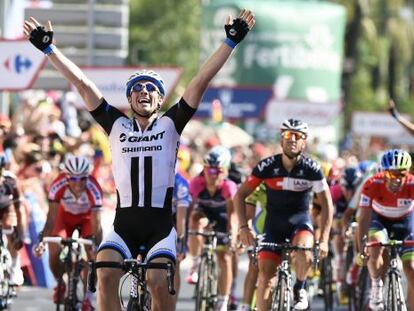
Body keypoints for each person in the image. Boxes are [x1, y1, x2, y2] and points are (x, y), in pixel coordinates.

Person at [24, 9, 255, 311]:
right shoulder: (116, 125)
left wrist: (230, 42)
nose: (144, 92)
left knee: (159, 281)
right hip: (124, 226)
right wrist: (49, 49)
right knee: (105, 274)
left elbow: (199, 82)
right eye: (137, 89)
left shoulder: (171, 123)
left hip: (160, 228)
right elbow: (82, 84)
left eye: (151, 89)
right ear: (130, 100)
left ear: (160, 100)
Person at [234, 119, 334, 311]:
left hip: (300, 222)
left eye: (298, 136)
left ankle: (300, 287)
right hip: (273, 225)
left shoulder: (312, 169)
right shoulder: (267, 167)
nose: (293, 139)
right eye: (288, 135)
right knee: (265, 279)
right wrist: (243, 227)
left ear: (304, 142)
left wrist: (324, 238)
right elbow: (240, 195)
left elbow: (327, 204)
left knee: (305, 250)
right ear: (281, 140)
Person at [34, 155, 103, 311]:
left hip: (87, 219)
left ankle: (88, 298)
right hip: (64, 218)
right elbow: (51, 218)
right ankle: (61, 283)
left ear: (88, 177)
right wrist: (42, 241)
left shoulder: (94, 188)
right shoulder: (57, 185)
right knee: (53, 248)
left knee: (93, 258)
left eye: (82, 179)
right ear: (67, 176)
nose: (78, 184)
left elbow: (96, 224)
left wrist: (95, 245)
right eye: (73, 178)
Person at [358, 149, 414, 311]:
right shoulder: (372, 183)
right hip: (379, 220)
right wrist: (362, 243)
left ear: (408, 173)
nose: (396, 180)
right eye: (391, 175)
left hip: (406, 222)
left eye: (401, 175)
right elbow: (363, 218)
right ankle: (376, 287)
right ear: (383, 172)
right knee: (375, 245)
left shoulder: (412, 184)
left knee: (411, 267)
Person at [187, 145, 238, 311]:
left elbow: (233, 215)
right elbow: (190, 210)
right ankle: (195, 263)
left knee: (224, 258)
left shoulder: (229, 187)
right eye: (208, 170)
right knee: (196, 221)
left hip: (223, 216)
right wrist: (187, 235)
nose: (212, 174)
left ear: (224, 171)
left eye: (217, 171)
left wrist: (233, 236)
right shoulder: (196, 183)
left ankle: (223, 300)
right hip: (204, 214)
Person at [0, 153, 25, 287]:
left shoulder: (10, 180)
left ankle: (15, 266)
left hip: (7, 208)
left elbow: (19, 207)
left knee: (9, 227)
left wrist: (20, 232)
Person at [172, 171, 192, 306]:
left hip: (172, 221)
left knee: (175, 263)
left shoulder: (180, 183)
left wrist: (181, 242)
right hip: (151, 217)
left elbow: (181, 219)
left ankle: (172, 303)